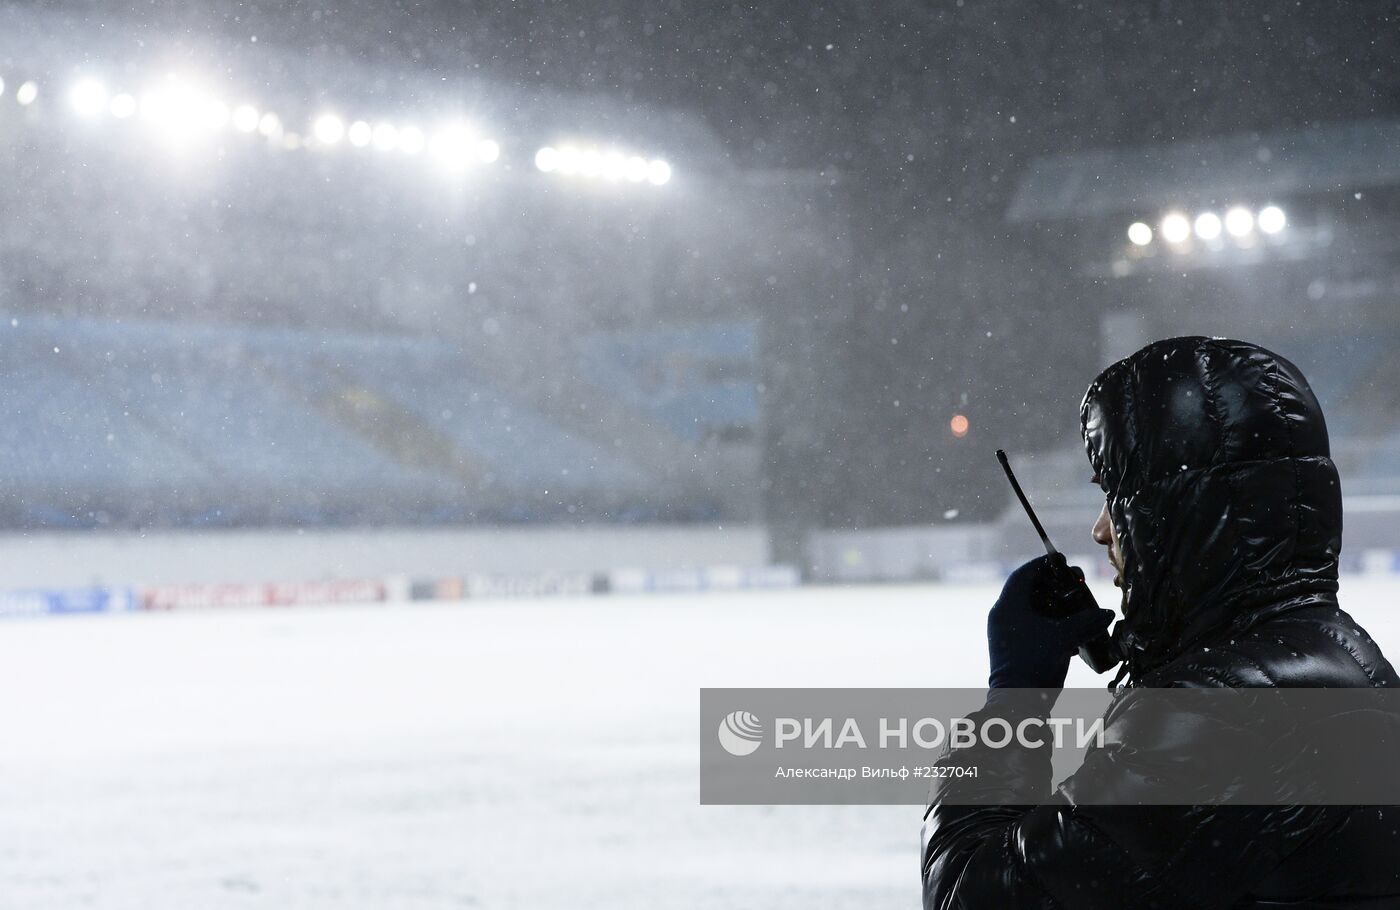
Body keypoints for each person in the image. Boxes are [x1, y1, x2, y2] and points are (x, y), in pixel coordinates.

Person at [921, 336, 1400, 909]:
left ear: (1180, 511)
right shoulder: (1351, 660)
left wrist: (1013, 703)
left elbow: (972, 897)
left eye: (1116, 497)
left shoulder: (1218, 716)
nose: (1100, 531)